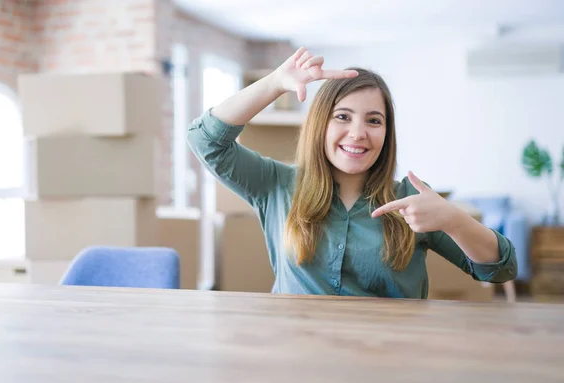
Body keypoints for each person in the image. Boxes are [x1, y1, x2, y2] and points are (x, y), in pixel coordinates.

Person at [187, 47, 517, 298]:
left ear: (387, 132)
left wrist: (453, 219)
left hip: (389, 361)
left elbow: (501, 269)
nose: (358, 133)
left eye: (374, 120)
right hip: (296, 357)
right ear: (320, 124)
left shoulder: (412, 200)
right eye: (343, 117)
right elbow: (205, 140)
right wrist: (274, 83)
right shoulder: (277, 184)